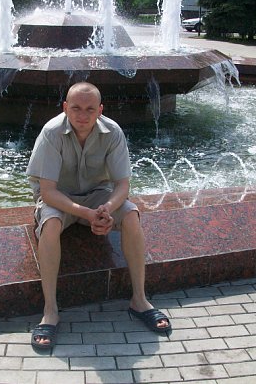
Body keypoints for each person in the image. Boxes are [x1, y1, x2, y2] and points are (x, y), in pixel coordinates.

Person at [26, 82, 171, 350]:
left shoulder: (113, 132)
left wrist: (107, 209)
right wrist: (87, 213)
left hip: (97, 196)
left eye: (90, 109)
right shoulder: (51, 132)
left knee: (131, 214)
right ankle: (50, 310)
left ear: (100, 110)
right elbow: (47, 192)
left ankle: (139, 299)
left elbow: (123, 186)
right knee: (51, 224)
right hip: (60, 198)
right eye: (76, 108)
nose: (82, 115)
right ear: (65, 107)